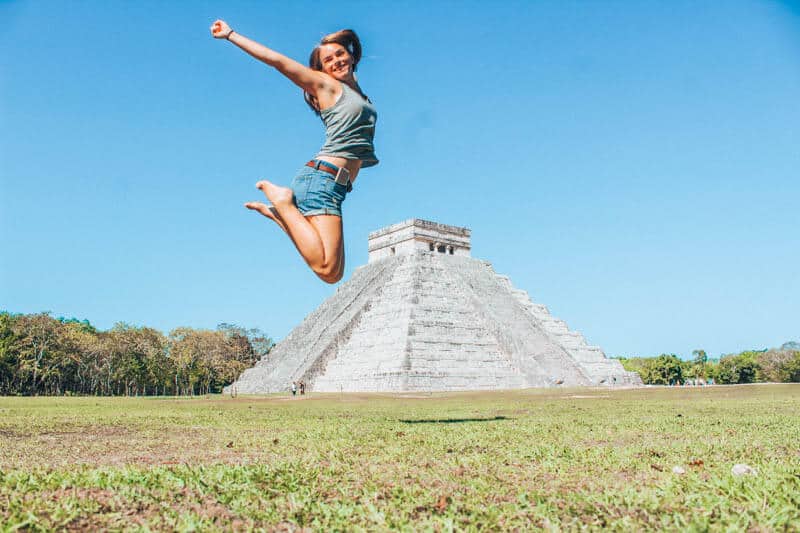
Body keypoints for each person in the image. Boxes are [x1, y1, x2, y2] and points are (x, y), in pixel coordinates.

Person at [210, 20, 379, 283]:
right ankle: (284, 203)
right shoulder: (326, 86)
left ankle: (280, 214)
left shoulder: (361, 95)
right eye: (328, 60)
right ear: (321, 69)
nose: (336, 61)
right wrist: (231, 35)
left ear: (351, 55)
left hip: (336, 187)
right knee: (326, 270)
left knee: (333, 273)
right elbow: (278, 62)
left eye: (340, 54)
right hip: (322, 180)